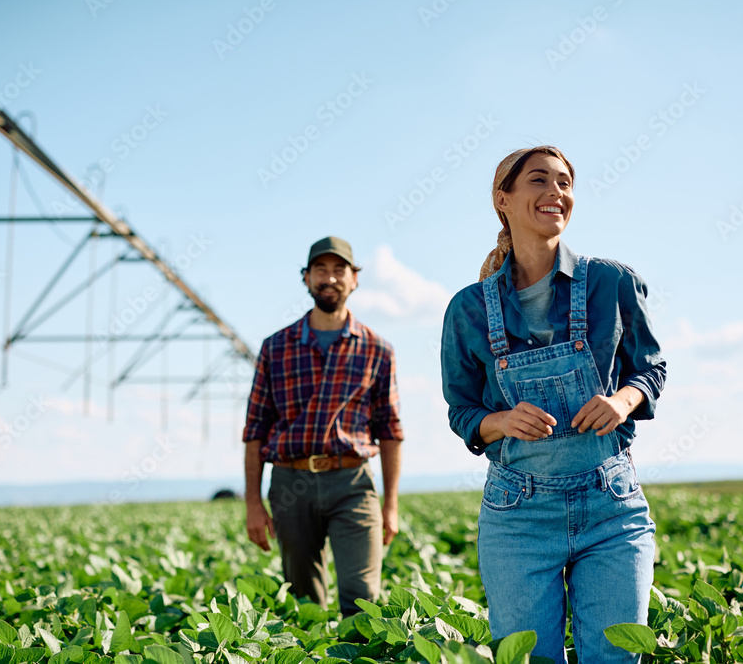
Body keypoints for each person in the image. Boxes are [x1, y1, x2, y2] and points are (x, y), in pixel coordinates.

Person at [440, 146, 666, 663]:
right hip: (517, 515)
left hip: (610, 504)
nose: (556, 193)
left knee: (614, 656)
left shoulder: (613, 282)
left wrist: (623, 400)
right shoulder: (468, 309)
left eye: (564, 182)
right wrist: (499, 420)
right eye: (539, 181)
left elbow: (650, 368)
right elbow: (461, 410)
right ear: (503, 199)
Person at [243, 236, 404, 616]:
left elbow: (390, 429)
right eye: (320, 270)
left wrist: (391, 504)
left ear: (354, 279)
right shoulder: (275, 347)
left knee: (364, 599)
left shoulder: (377, 349)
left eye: (338, 270)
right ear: (306, 278)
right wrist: (252, 501)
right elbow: (255, 429)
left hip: (352, 482)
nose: (329, 278)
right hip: (289, 482)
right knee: (303, 601)